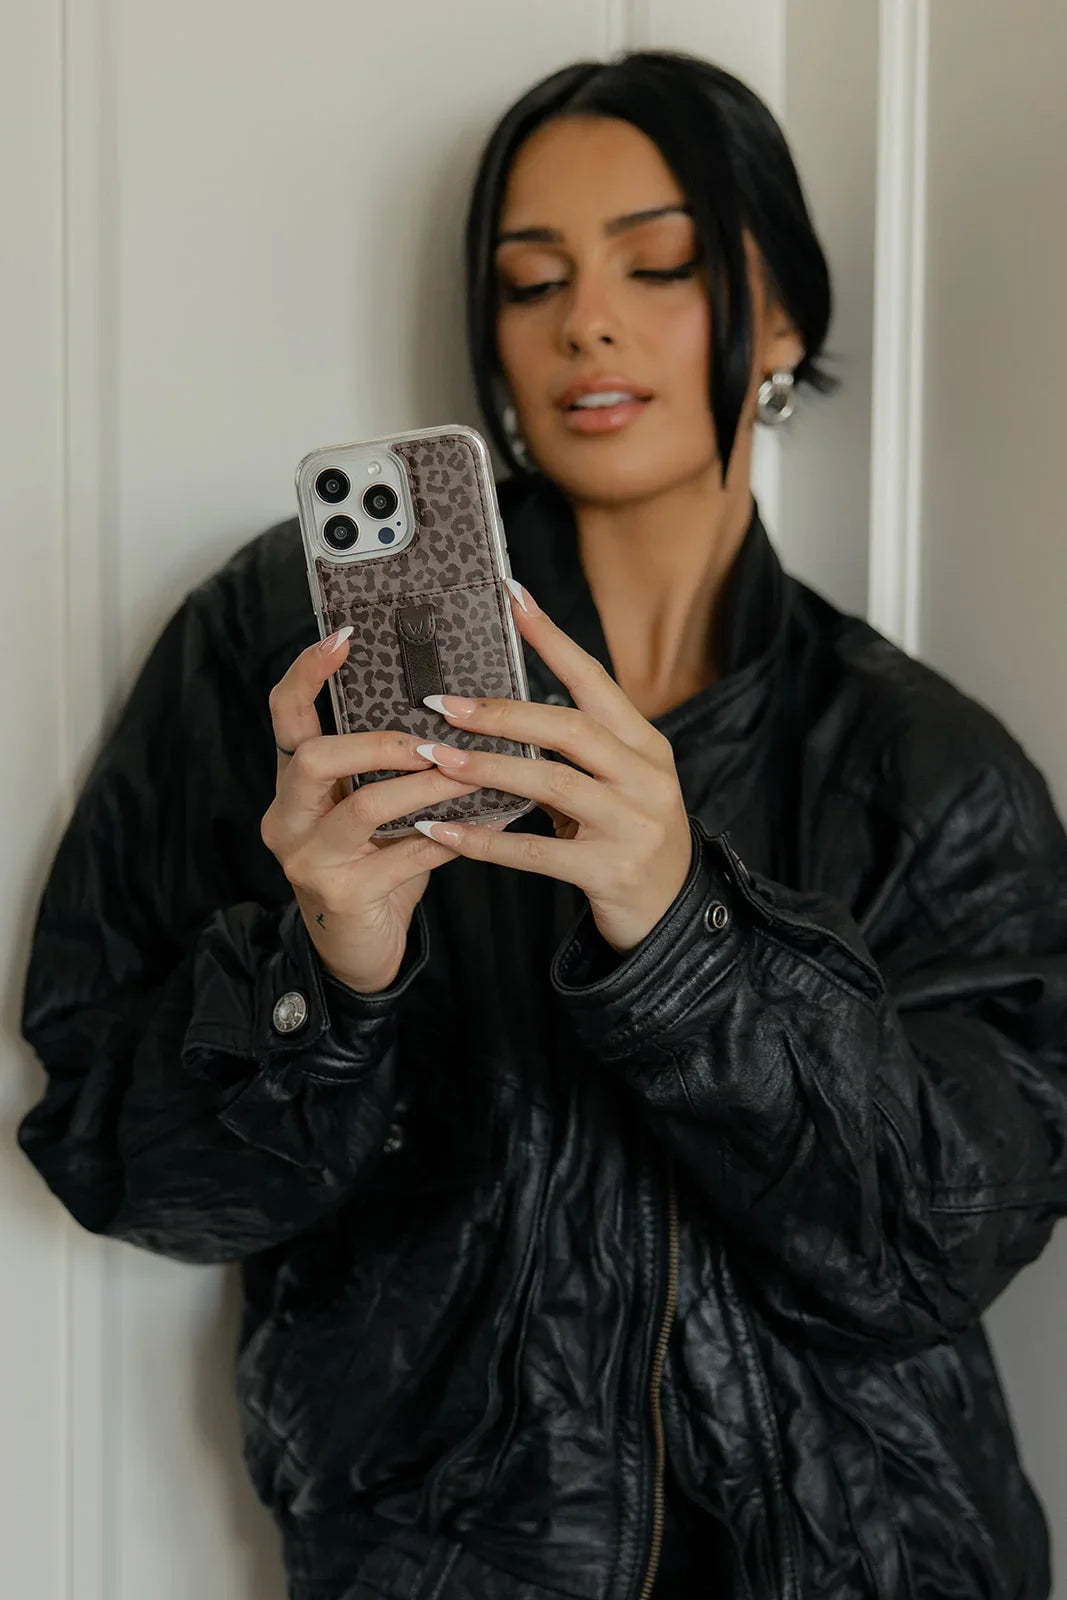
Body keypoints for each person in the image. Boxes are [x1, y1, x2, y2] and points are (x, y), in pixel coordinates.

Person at [17, 48, 1067, 1600]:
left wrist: (688, 942)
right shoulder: (287, 646)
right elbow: (132, 1165)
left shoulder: (927, 767)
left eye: (660, 263)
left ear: (783, 318)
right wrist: (329, 979)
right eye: (531, 281)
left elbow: (937, 1244)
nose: (587, 320)